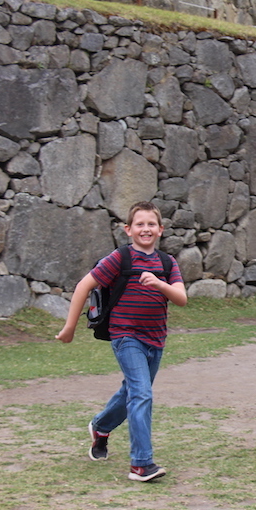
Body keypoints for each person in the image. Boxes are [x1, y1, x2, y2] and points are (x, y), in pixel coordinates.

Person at [56, 201, 188, 481]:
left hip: (156, 340)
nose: (146, 229)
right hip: (125, 336)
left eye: (151, 224)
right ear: (128, 229)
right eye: (139, 224)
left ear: (161, 230)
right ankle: (141, 464)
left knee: (132, 392)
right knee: (142, 394)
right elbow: (84, 285)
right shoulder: (120, 258)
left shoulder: (167, 263)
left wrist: (159, 284)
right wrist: (69, 327)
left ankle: (101, 426)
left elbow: (181, 298)